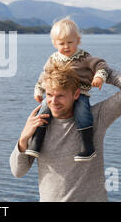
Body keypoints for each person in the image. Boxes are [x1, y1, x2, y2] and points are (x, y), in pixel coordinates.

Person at [10, 62, 121, 202]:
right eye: (49, 95)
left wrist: (99, 72)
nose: (53, 101)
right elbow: (18, 172)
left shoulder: (96, 117)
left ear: (76, 94)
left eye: (60, 95)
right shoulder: (39, 125)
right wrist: (23, 138)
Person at [27, 18, 111, 161]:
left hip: (80, 92)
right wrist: (38, 90)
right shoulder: (53, 58)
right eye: (61, 43)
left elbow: (101, 65)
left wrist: (99, 76)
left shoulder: (84, 57)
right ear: (54, 44)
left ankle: (87, 147)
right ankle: (36, 142)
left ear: (78, 41)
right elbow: (45, 75)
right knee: (44, 111)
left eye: (70, 42)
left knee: (82, 113)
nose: (66, 46)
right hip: (56, 93)